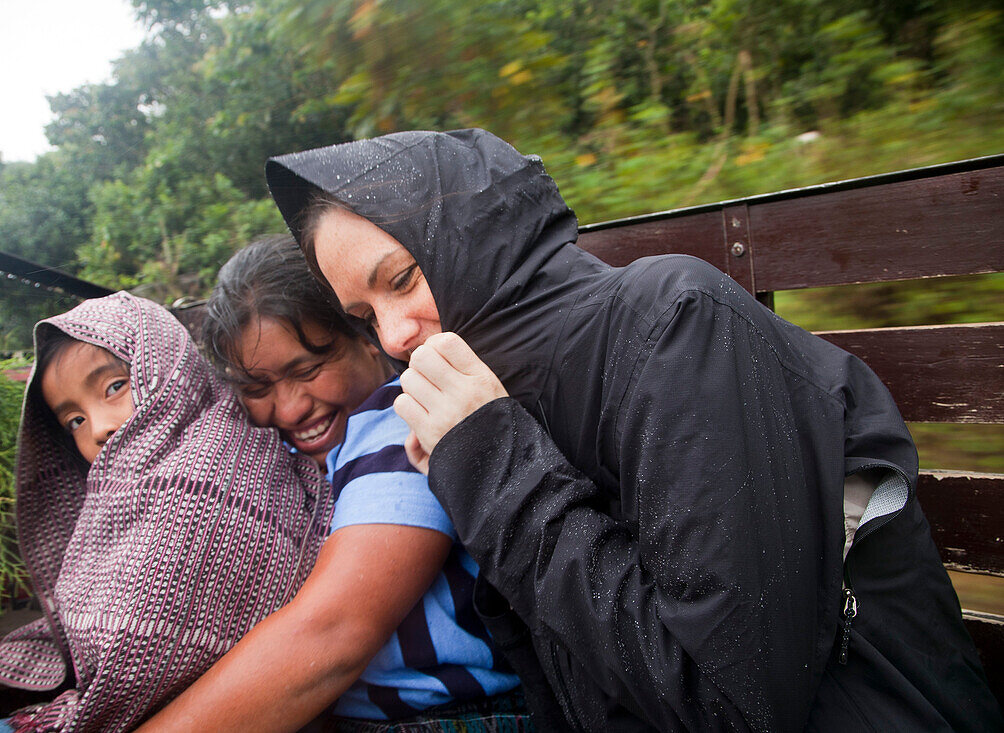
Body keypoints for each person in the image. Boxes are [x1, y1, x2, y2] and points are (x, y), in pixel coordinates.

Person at [263, 128, 1003, 731]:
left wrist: (492, 471)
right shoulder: (502, 402)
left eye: (401, 279)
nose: (394, 335)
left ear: (475, 240)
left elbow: (731, 706)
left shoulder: (674, 322)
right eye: (364, 318)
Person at [137, 236, 530, 731]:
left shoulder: (403, 422)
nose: (289, 408)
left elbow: (334, 633)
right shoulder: (287, 452)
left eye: (307, 369)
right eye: (256, 388)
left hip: (454, 716)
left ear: (369, 337)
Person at [0, 291, 331, 731]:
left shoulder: (212, 476)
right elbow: (93, 629)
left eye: (113, 387)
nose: (100, 427)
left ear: (167, 367)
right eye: (74, 420)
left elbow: (133, 648)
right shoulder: (121, 496)